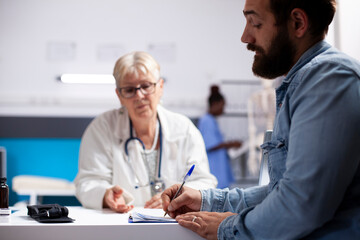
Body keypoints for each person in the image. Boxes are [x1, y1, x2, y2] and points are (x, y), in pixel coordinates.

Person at [161, 0, 360, 239]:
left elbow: (300, 204)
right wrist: (207, 200)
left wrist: (228, 228)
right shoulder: (302, 84)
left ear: (297, 23)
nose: (245, 37)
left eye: (255, 23)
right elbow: (279, 193)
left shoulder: (328, 80)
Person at [75, 51, 217, 213]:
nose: (139, 95)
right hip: (122, 224)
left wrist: (179, 195)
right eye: (129, 90)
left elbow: (204, 181)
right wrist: (105, 194)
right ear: (119, 95)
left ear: (160, 87)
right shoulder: (102, 128)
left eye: (146, 86)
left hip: (174, 224)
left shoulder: (184, 129)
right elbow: (88, 182)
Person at [197, 85, 242, 188]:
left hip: (219, 167)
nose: (223, 110)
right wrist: (230, 144)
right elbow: (210, 144)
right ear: (215, 104)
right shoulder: (206, 120)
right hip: (214, 168)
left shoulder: (211, 120)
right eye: (222, 106)